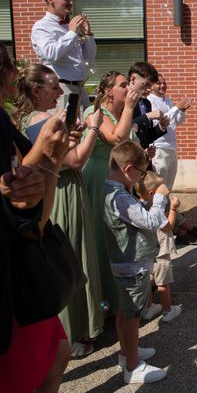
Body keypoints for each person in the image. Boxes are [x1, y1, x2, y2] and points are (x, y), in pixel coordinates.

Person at [12, 63, 105, 358]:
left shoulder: (27, 119)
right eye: (54, 87)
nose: (59, 93)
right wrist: (92, 128)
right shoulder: (43, 121)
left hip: (57, 188)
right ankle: (78, 330)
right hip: (61, 191)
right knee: (73, 256)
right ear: (37, 91)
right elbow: (75, 160)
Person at [0, 44, 71, 392]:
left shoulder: (2, 120)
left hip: (23, 251)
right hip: (14, 271)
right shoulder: (23, 123)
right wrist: (48, 156)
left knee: (58, 350)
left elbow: (27, 196)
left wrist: (49, 159)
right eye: (7, 65)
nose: (13, 73)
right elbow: (22, 213)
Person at [103, 140, 168, 384]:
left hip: (125, 264)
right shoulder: (120, 197)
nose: (141, 177)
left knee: (125, 311)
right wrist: (160, 198)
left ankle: (127, 352)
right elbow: (151, 222)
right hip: (132, 265)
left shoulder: (113, 191)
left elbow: (131, 215)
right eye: (140, 173)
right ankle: (133, 367)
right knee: (131, 316)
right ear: (128, 169)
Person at [83, 72, 139, 312]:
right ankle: (103, 301)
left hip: (118, 182)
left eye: (128, 84)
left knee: (119, 239)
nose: (128, 88)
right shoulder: (94, 113)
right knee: (102, 238)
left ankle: (120, 300)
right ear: (108, 91)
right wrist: (129, 107)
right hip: (98, 179)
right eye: (123, 85)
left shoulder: (121, 114)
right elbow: (117, 139)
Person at [31, 0, 96, 110]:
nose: (70, 2)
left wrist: (88, 35)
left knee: (84, 127)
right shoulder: (41, 27)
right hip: (61, 89)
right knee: (64, 128)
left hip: (80, 88)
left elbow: (89, 57)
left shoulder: (70, 26)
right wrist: (71, 33)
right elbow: (51, 54)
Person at [137, 172, 182, 323]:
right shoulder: (155, 212)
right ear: (152, 194)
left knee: (148, 282)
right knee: (163, 284)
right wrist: (173, 209)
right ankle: (168, 311)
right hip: (160, 253)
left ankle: (149, 309)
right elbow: (168, 226)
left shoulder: (138, 207)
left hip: (146, 253)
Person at [147, 74, 192, 190]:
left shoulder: (168, 101)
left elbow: (178, 122)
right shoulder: (149, 101)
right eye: (159, 83)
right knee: (158, 183)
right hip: (159, 147)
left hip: (171, 147)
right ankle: (157, 207)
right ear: (151, 86)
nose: (162, 86)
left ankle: (165, 207)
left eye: (164, 83)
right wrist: (176, 108)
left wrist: (181, 111)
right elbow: (162, 120)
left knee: (169, 184)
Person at [128, 62, 169, 150]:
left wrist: (161, 126)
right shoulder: (121, 99)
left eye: (151, 85)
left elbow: (147, 136)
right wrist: (147, 116)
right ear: (133, 79)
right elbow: (122, 128)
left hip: (143, 158)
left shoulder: (146, 103)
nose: (149, 89)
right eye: (146, 84)